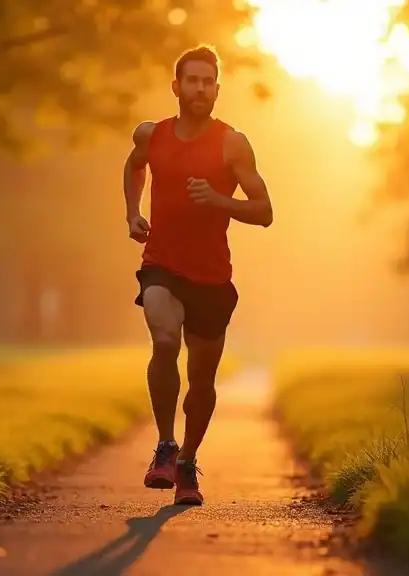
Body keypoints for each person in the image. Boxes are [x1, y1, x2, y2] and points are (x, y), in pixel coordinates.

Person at [121, 45, 273, 506]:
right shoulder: (151, 134)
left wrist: (219, 200)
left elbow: (264, 211)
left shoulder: (233, 143)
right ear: (177, 87)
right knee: (165, 340)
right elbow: (134, 166)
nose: (200, 89)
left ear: (217, 89)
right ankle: (165, 446)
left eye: (208, 82)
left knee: (201, 380)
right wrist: (132, 213)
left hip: (211, 274)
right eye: (192, 80)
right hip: (161, 263)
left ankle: (187, 461)